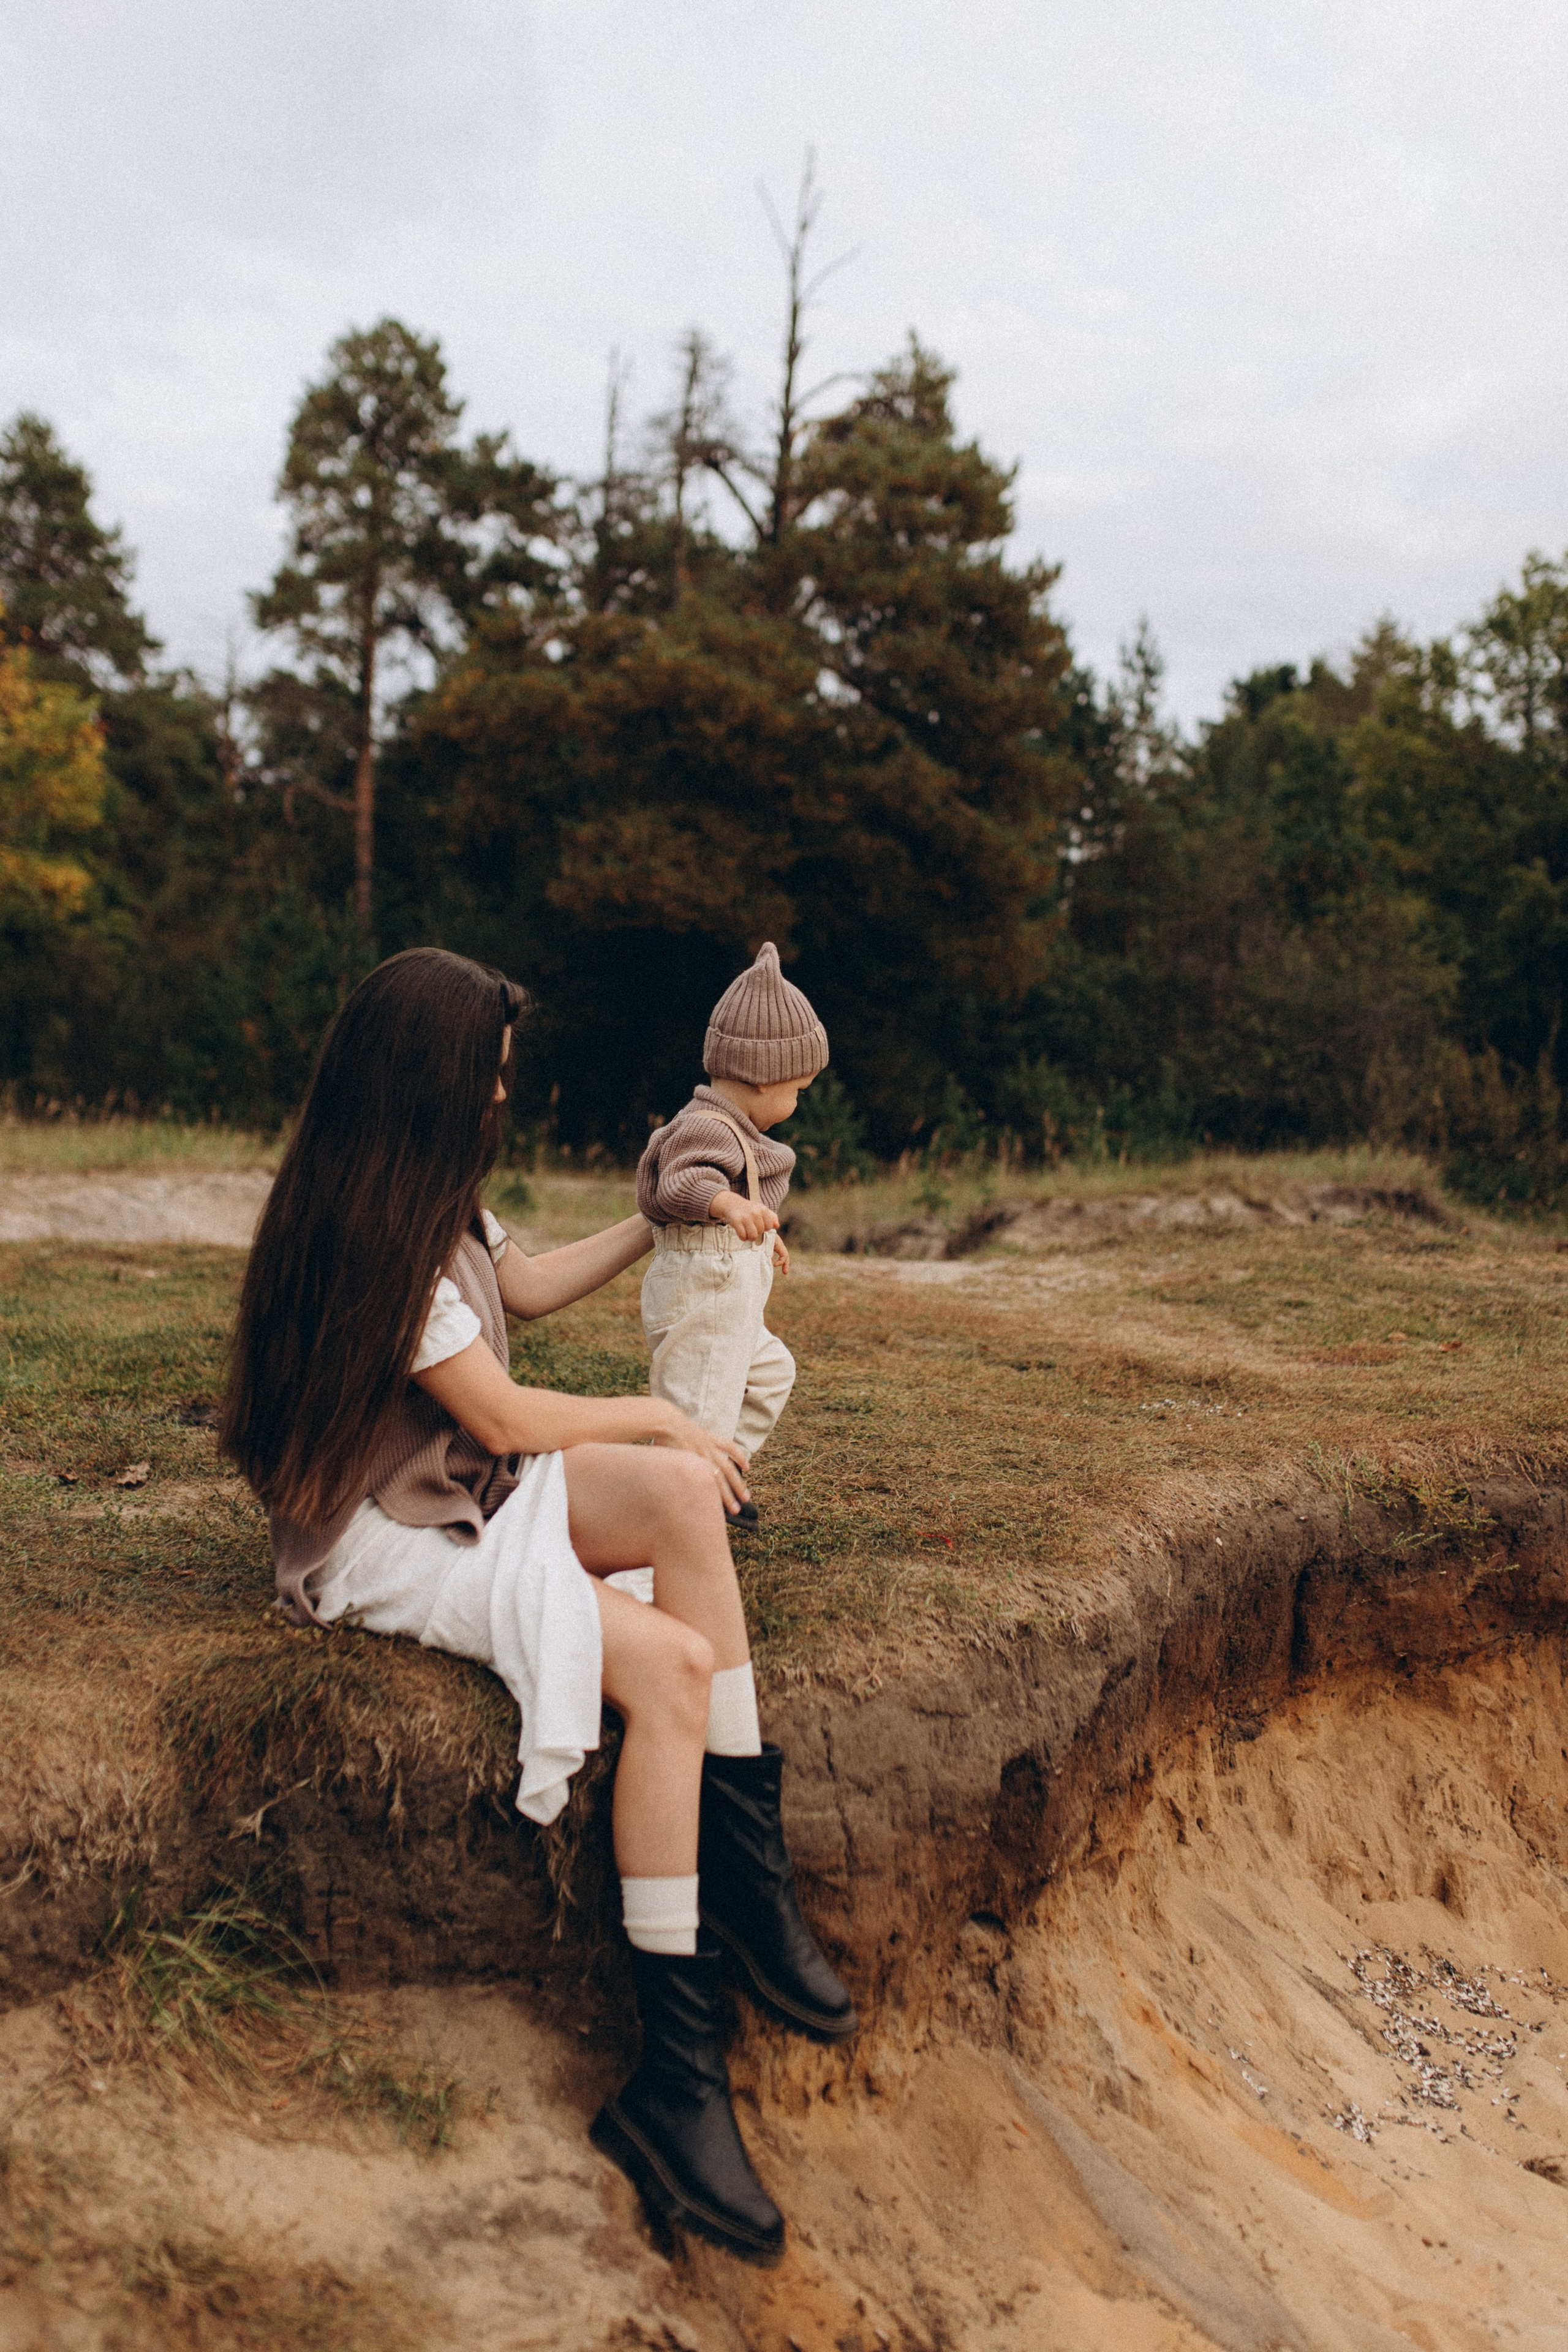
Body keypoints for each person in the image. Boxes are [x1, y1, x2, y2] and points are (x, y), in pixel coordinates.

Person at [221, 948, 854, 2267]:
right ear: (433, 1083)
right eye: (491, 1080)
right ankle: (673, 2085)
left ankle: (748, 1867)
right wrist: (662, 1417)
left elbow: (520, 1291)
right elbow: (504, 1415)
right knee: (670, 1665)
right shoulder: (366, 1238)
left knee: (681, 1508)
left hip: (448, 1486)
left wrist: (673, 1219)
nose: (500, 1099)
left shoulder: (429, 1198)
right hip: (380, 1538)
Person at [636, 943, 827, 1534]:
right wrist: (725, 1203)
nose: (798, 1101)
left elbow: (735, 1209)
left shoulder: (739, 1133)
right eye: (799, 1088)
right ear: (764, 1078)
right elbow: (683, 1182)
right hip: (703, 1293)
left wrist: (761, 1235)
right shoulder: (704, 1126)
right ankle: (673, 1504)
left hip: (730, 1296)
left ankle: (715, 1475)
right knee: (701, 1403)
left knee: (769, 1374)